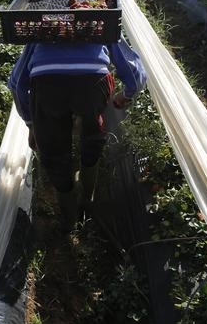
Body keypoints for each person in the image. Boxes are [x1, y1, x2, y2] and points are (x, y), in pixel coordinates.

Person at [8, 36, 146, 226]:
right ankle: (87, 200)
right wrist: (126, 94)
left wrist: (32, 123)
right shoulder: (100, 19)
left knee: (54, 153)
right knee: (93, 135)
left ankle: (70, 219)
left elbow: (17, 84)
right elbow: (134, 71)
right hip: (93, 83)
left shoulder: (41, 26)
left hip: (47, 84)